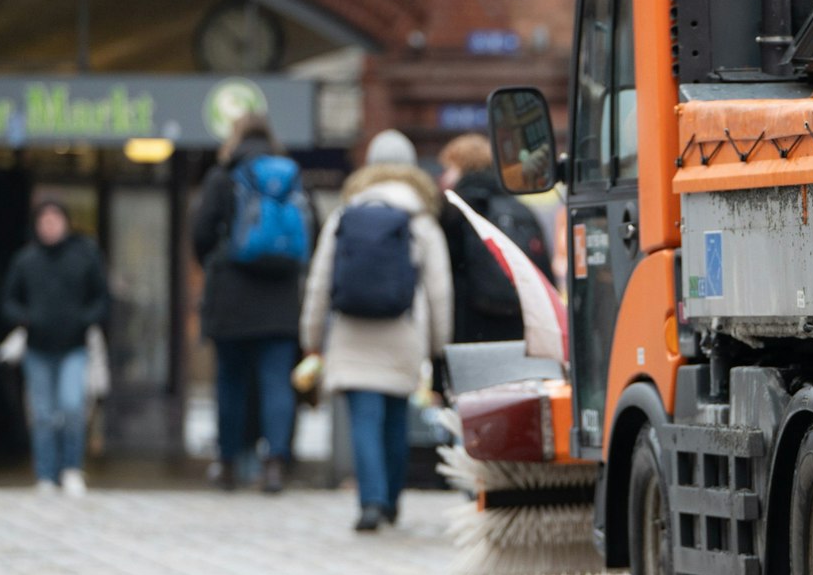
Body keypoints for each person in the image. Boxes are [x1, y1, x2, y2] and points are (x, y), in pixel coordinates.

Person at [301, 130, 451, 532]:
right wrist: (439, 348)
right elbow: (439, 291)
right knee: (395, 418)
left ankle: (370, 500)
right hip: (403, 330)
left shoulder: (345, 214)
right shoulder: (421, 219)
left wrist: (312, 337)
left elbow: (319, 282)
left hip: (351, 329)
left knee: (364, 420)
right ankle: (391, 502)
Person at [191, 112, 315, 493]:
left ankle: (227, 462)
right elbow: (315, 230)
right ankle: (275, 462)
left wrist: (219, 260)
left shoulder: (223, 176)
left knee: (230, 381)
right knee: (277, 381)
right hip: (279, 300)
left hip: (232, 296)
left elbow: (200, 233)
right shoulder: (292, 176)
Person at [2, 200, 109, 496]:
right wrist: (27, 319)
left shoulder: (84, 256)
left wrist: (83, 321)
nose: (49, 226)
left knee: (73, 406)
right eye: (44, 220)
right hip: (37, 349)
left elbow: (102, 298)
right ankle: (46, 474)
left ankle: (71, 468)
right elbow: (9, 302)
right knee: (42, 413)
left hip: (74, 346)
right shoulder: (26, 260)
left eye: (55, 219)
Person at [436, 132, 551, 344]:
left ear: (462, 168)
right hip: (520, 329)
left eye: (448, 168)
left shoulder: (454, 211)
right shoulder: (521, 210)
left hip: (468, 329)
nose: (444, 176)